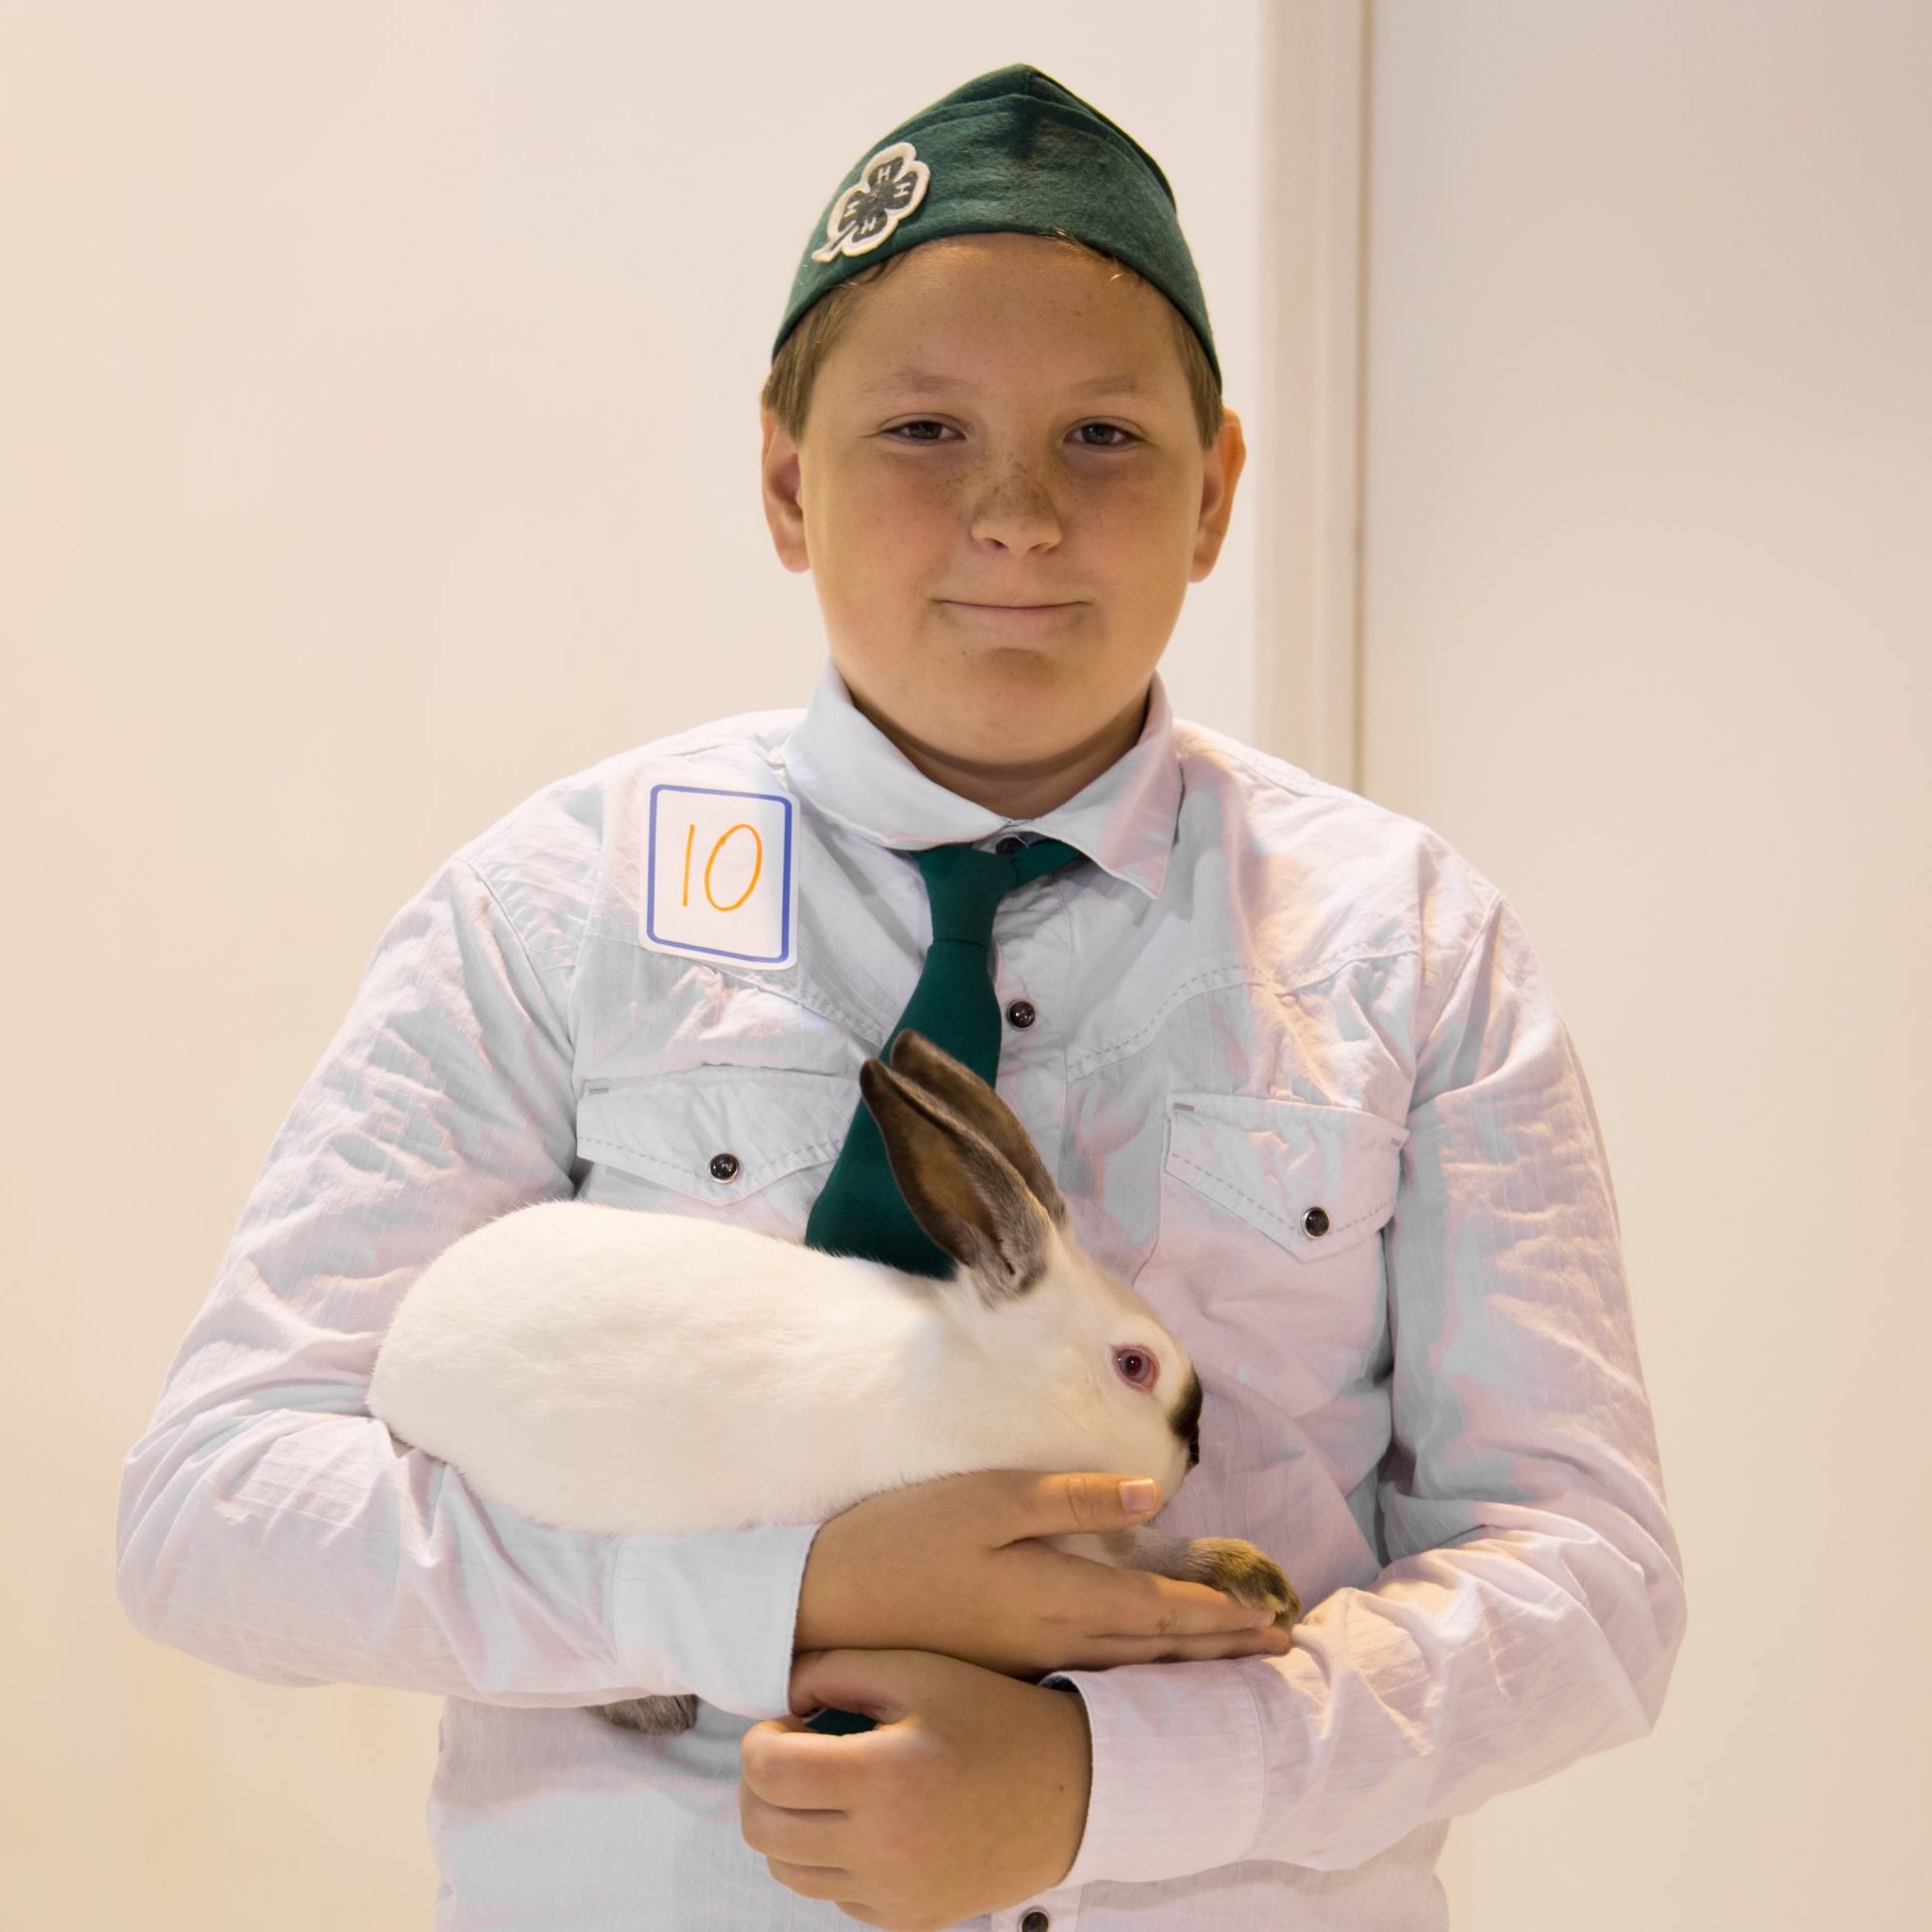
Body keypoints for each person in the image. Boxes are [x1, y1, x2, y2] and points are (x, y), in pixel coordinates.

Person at [114, 62, 1687, 1931]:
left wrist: (1110, 1786)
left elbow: (1585, 1579)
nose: (1015, 514)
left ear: (1216, 493)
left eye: (1103, 438)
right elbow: (213, 1514)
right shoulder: (553, 910)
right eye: (923, 431)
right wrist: (782, 1594)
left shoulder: (1409, 943)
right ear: (785, 480)